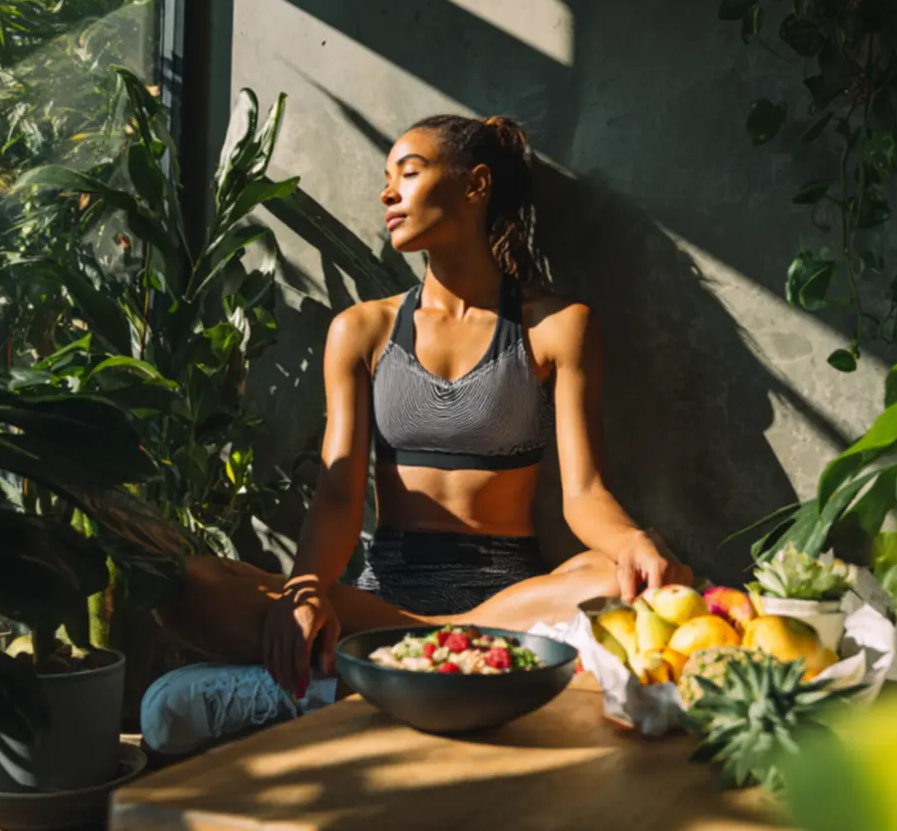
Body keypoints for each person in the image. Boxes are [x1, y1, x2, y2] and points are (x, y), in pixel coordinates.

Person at [140, 113, 693, 755]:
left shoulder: (558, 328)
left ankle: (333, 688)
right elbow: (340, 494)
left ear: (475, 185)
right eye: (385, 178)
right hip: (384, 608)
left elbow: (585, 492)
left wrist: (632, 543)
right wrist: (309, 591)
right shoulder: (361, 331)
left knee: (633, 581)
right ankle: (469, 675)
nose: (387, 193)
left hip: (511, 602)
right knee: (187, 590)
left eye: (409, 172)